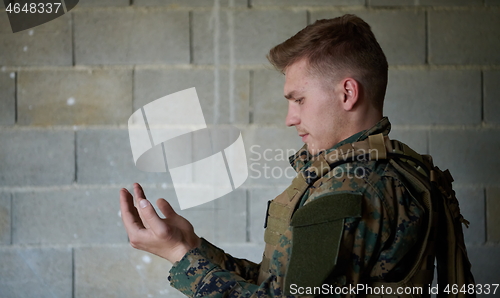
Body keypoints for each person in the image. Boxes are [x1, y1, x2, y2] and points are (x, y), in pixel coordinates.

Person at [120, 14, 430, 297]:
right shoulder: (382, 171)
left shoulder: (350, 189)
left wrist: (178, 254)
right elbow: (279, 286)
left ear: (347, 93)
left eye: (299, 100)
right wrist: (193, 247)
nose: (290, 118)